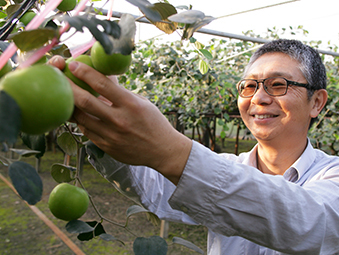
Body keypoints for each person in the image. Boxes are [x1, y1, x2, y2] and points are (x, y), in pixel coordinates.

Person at [49, 39, 339, 255]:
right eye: (249, 86)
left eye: (278, 85)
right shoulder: (228, 166)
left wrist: (172, 151)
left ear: (316, 102)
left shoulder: (332, 177)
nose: (259, 98)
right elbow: (155, 189)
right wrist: (102, 115)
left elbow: (309, 221)